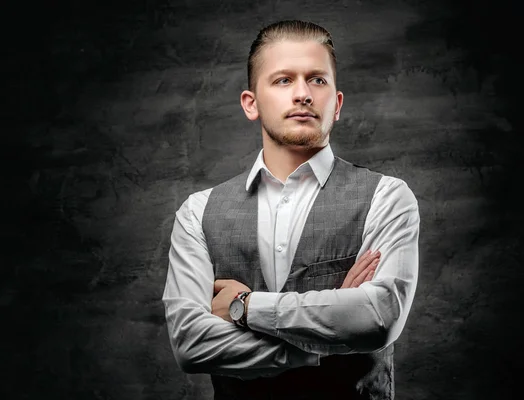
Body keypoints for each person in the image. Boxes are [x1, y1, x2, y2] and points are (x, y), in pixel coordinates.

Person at [162, 20, 420, 400]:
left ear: (337, 102)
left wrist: (243, 307)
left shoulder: (388, 197)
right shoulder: (198, 212)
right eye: (283, 80)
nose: (303, 94)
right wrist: (324, 343)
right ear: (251, 103)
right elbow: (190, 344)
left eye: (317, 80)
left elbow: (377, 319)